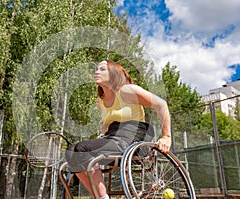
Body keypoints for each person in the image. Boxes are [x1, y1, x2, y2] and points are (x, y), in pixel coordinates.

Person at [65, 60, 171, 199]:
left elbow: (161, 104)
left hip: (133, 136)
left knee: (81, 148)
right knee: (71, 152)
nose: (96, 72)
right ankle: (99, 196)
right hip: (113, 136)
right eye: (96, 69)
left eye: (102, 69)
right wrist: (101, 137)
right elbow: (106, 124)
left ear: (114, 73)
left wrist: (166, 136)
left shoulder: (127, 90)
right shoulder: (101, 100)